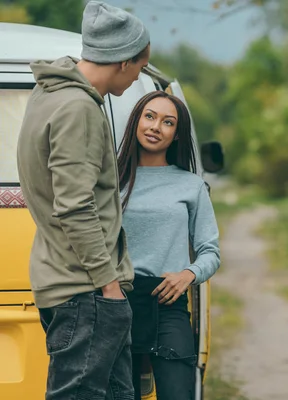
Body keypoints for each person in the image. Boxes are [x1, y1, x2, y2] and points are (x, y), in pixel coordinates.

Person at [16, 2, 150, 399]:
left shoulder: (48, 94)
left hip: (75, 285)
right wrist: (109, 285)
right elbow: (74, 205)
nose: (137, 75)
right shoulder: (78, 108)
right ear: (123, 62)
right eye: (141, 67)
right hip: (86, 290)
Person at [117, 91, 221, 400]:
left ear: (176, 135)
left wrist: (187, 275)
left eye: (167, 122)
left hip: (168, 302)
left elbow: (210, 252)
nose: (155, 127)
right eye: (149, 116)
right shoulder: (111, 181)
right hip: (117, 301)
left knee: (178, 393)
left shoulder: (190, 186)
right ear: (136, 120)